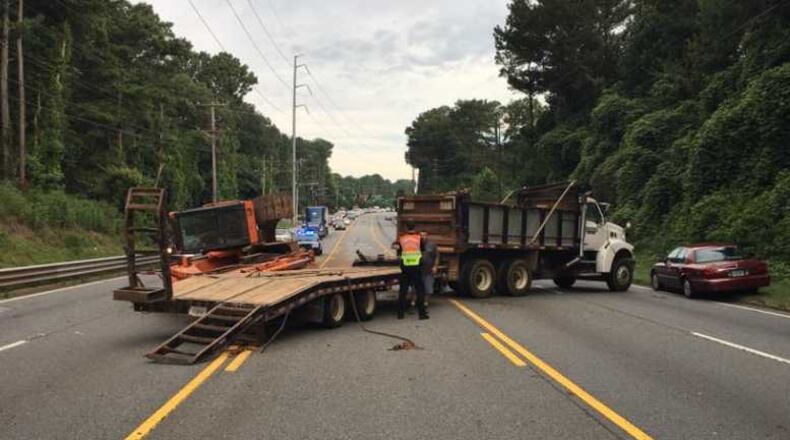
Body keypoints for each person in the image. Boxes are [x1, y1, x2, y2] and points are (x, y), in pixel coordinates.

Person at [393, 221, 428, 320]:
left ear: (406, 227)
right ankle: (422, 314)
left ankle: (400, 314)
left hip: (405, 267)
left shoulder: (402, 239)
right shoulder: (418, 238)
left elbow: (399, 252)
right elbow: (422, 251)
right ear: (415, 227)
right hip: (416, 267)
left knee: (403, 291)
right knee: (420, 291)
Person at [420, 232, 438, 306]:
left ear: (427, 236)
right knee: (415, 288)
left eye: (424, 235)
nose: (422, 237)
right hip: (418, 270)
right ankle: (413, 302)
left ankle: (425, 302)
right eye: (421, 235)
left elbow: (436, 256)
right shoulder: (416, 244)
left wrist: (435, 266)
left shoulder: (432, 245)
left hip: (428, 270)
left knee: (428, 289)